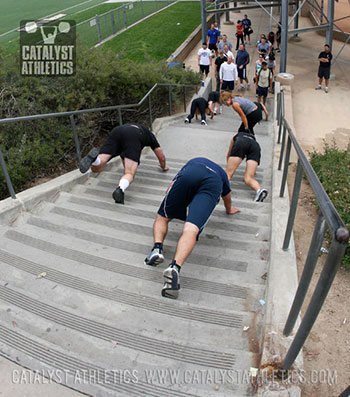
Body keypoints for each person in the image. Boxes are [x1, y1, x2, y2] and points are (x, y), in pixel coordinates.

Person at [144, 157, 240, 299]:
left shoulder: (193, 161)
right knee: (191, 229)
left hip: (191, 172)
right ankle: (174, 267)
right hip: (213, 183)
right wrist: (229, 209)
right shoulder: (222, 175)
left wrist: (173, 201)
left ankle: (157, 249)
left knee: (162, 217)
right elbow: (227, 197)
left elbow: (171, 186)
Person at [79, 123, 169, 204]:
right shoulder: (149, 136)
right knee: (129, 173)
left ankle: (95, 160)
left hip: (117, 131)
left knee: (96, 169)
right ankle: (120, 189)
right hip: (134, 135)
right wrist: (163, 166)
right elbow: (161, 156)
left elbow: (124, 156)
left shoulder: (129, 126)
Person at [226, 130, 268, 202]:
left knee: (228, 173)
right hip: (255, 147)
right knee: (248, 178)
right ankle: (258, 190)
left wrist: (229, 165)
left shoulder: (237, 135)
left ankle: (219, 190)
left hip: (240, 143)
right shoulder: (253, 139)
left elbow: (229, 152)